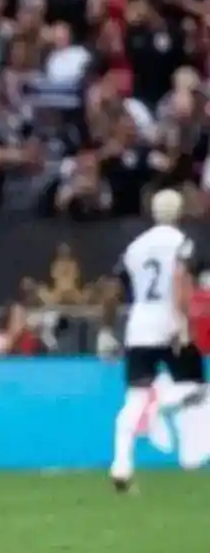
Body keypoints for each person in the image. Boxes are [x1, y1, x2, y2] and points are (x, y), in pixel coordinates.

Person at [108, 189, 207, 494]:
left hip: (139, 325)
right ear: (179, 212)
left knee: (134, 397)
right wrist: (182, 322)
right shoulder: (181, 242)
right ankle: (161, 406)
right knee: (195, 387)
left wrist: (107, 328)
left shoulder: (135, 247)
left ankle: (121, 465)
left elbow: (112, 288)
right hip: (169, 321)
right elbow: (180, 278)